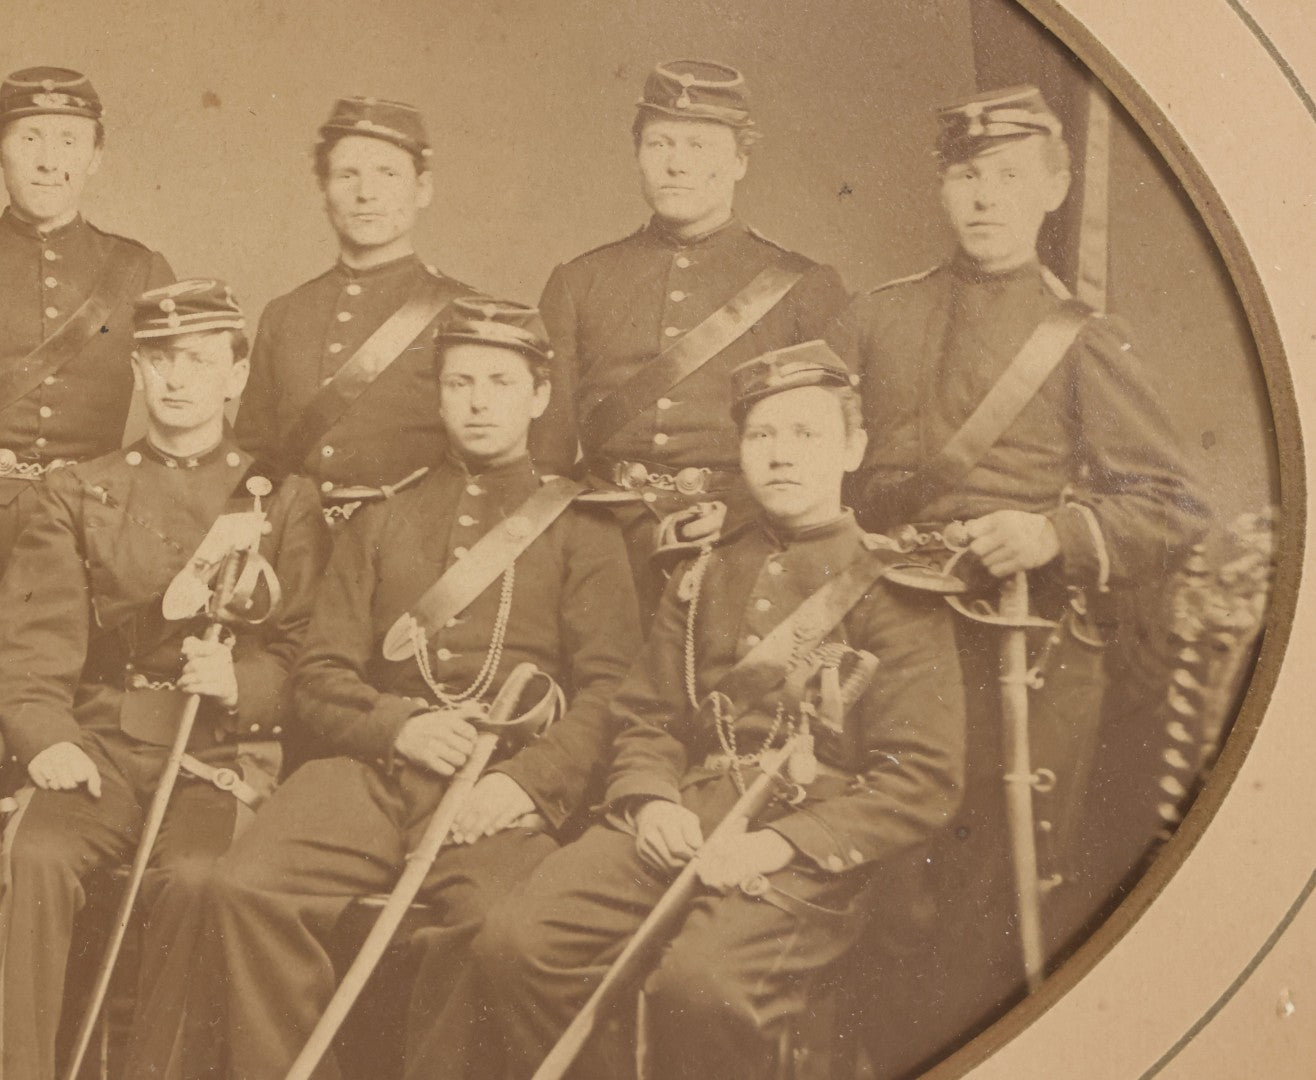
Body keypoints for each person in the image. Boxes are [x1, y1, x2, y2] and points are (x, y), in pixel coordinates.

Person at [425, 340, 965, 1080]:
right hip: (680, 817)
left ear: (854, 448)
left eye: (805, 434)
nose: (780, 455)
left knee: (698, 988)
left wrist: (780, 844)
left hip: (808, 848)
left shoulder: (896, 590)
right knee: (517, 942)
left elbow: (922, 779)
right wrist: (649, 802)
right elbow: (646, 715)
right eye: (761, 435)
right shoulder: (704, 567)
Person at [830, 85, 1211, 1073]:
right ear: (940, 187)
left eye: (1006, 177)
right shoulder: (876, 318)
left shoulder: (1080, 336)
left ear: (1052, 187)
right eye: (964, 176)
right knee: (870, 892)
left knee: (979, 910)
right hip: (876, 645)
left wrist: (1051, 532)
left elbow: (1170, 508)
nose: (983, 199)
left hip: (1015, 656)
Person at [180, 298, 642, 1080]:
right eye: (460, 382)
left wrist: (524, 787)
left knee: (492, 928)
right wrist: (398, 726)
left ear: (538, 396)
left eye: (500, 381)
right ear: (437, 396)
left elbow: (610, 695)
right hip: (371, 773)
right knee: (241, 886)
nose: (478, 400)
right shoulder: (381, 519)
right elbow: (317, 679)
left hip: (497, 788)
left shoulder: (583, 532)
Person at [0, 278, 327, 1080]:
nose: (177, 380)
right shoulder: (75, 491)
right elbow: (34, 648)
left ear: (236, 374)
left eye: (197, 359)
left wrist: (238, 681)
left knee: (200, 878)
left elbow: (305, 654)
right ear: (138, 372)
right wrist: (45, 739)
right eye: (158, 360)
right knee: (35, 857)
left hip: (216, 755)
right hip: (102, 744)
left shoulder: (282, 499)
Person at [530, 59, 849, 615]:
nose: (676, 164)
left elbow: (829, 446)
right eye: (660, 144)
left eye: (699, 146)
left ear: (740, 161)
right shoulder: (578, 282)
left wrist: (748, 514)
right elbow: (547, 460)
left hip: (743, 538)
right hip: (601, 545)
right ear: (637, 156)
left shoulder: (802, 287)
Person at [234, 96, 477, 525]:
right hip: (295, 550)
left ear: (423, 189)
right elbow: (256, 458)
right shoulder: (286, 314)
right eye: (347, 175)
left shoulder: (465, 313)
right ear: (323, 189)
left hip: (410, 551)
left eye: (387, 173)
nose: (366, 193)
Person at [0, 65, 173, 569]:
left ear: (96, 156)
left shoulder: (139, 269)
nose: (50, 162)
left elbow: (187, 400)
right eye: (30, 137)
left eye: (70, 142)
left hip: (92, 528)